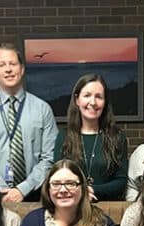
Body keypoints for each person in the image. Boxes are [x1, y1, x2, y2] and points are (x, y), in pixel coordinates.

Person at [0, 42, 58, 202]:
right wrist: (3, 189)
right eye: (2, 65)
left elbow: (50, 158)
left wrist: (23, 189)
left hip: (36, 195)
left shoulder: (42, 109)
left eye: (13, 64)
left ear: (21, 69)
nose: (8, 69)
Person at [54, 73, 128, 201]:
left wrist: (92, 190)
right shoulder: (64, 136)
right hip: (72, 207)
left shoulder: (117, 137)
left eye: (98, 97)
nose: (93, 102)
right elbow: (57, 177)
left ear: (105, 102)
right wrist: (80, 193)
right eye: (87, 95)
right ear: (77, 100)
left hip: (109, 208)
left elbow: (121, 182)